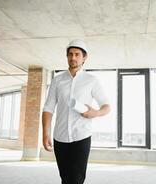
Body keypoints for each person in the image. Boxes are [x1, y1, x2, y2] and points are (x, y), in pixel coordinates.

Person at [42, 39, 111, 184]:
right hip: (60, 137)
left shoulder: (92, 80)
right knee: (65, 178)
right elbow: (48, 108)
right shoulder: (57, 80)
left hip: (81, 136)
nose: (73, 57)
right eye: (70, 54)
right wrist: (45, 133)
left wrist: (96, 113)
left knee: (77, 179)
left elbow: (106, 106)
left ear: (84, 58)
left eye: (77, 54)